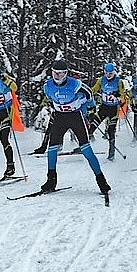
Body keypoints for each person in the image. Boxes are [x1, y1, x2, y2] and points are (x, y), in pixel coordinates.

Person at [40, 59, 110, 195]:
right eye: (54, 73)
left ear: (66, 73)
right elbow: (49, 98)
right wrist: (54, 108)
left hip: (75, 117)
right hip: (60, 117)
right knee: (52, 149)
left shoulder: (75, 84)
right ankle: (51, 181)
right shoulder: (47, 86)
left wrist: (89, 110)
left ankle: (102, 181)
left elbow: (89, 93)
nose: (56, 76)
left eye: (60, 73)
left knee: (86, 150)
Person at [89, 62, 129, 161]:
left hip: (113, 109)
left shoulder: (118, 81)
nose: (108, 75)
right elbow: (93, 90)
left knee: (111, 131)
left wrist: (119, 95)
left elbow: (124, 96)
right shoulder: (101, 81)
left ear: (114, 72)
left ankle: (111, 154)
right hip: (104, 107)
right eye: (107, 73)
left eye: (110, 73)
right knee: (92, 126)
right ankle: (84, 147)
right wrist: (86, 94)